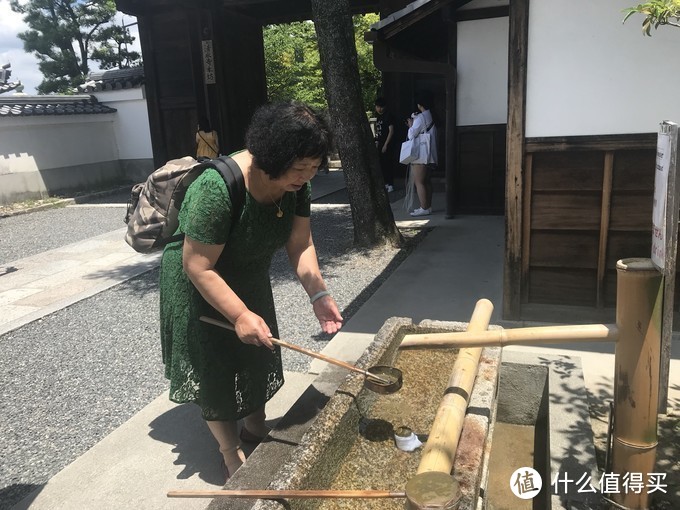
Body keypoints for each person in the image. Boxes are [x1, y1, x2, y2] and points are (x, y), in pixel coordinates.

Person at [160, 101, 344, 481]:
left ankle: (256, 426)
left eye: (313, 168)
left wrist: (318, 294)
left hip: (249, 274)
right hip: (201, 281)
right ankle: (230, 453)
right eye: (299, 168)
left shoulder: (297, 187)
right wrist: (240, 314)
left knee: (258, 352)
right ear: (271, 157)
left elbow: (301, 244)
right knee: (218, 365)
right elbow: (196, 265)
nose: (306, 176)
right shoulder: (217, 187)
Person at [407, 93, 438, 217]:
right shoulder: (430, 115)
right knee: (427, 181)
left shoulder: (420, 118)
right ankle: (428, 206)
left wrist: (410, 124)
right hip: (429, 152)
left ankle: (424, 207)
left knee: (419, 181)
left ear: (419, 104)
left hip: (421, 153)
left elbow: (411, 134)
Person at [374, 97, 395, 192]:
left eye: (381, 107)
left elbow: (391, 130)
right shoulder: (378, 117)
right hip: (380, 143)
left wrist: (386, 144)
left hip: (387, 144)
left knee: (388, 164)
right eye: (378, 107)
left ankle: (390, 184)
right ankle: (386, 183)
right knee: (382, 164)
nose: (379, 109)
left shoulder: (388, 116)